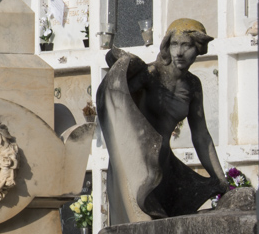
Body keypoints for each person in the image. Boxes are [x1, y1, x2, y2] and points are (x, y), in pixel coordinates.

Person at [96, 17, 227, 219]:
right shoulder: (151, 74)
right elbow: (121, 98)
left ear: (199, 49)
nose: (180, 52)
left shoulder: (193, 86)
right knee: (141, 229)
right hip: (137, 166)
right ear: (167, 46)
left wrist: (220, 179)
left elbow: (201, 136)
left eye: (187, 45)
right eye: (175, 44)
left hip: (165, 167)